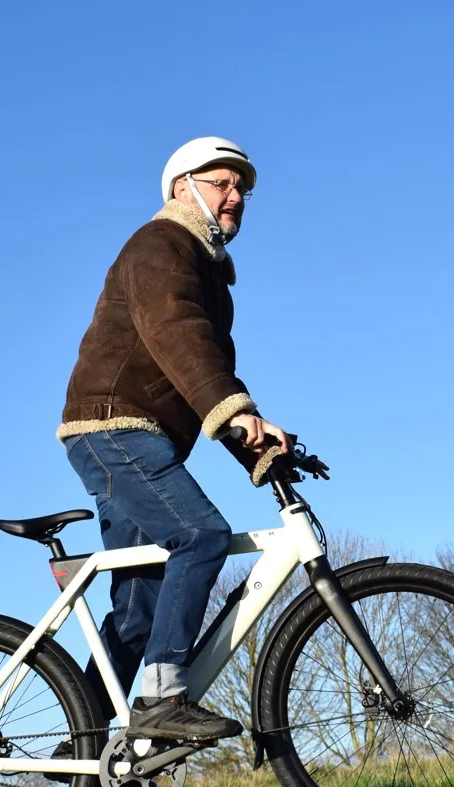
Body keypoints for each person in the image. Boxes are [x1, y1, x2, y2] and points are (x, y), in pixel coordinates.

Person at [56, 137, 290, 742]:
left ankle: (75, 754)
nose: (235, 196)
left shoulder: (207, 273)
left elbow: (200, 376)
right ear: (183, 187)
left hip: (128, 437)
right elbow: (178, 335)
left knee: (138, 614)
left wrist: (256, 448)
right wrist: (236, 412)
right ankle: (162, 699)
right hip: (116, 428)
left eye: (241, 188)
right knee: (202, 536)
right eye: (221, 184)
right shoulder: (162, 245)